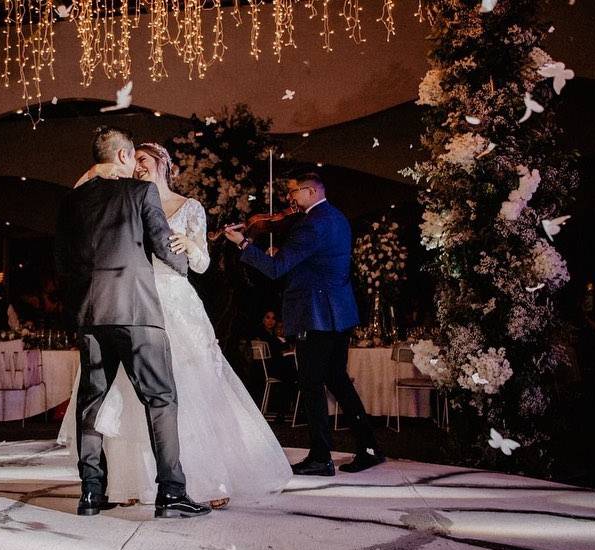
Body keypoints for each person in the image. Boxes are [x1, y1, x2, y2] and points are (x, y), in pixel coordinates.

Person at [58, 133, 290, 513]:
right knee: (147, 397)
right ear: (124, 158)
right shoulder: (130, 195)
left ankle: (121, 487)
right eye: (135, 159)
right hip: (138, 306)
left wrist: (190, 250)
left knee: (173, 390)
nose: (139, 165)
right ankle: (151, 485)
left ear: (164, 165)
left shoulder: (183, 205)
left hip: (148, 304)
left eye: (145, 160)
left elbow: (200, 263)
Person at [55, 126, 209, 518]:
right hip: (138, 313)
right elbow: (162, 244)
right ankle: (172, 492)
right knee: (161, 399)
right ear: (124, 156)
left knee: (91, 402)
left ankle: (90, 493)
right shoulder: (142, 193)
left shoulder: (72, 203)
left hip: (91, 314)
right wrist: (183, 268)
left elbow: (62, 262)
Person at [225, 172, 384, 476]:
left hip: (316, 314)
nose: (290, 199)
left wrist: (244, 243)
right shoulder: (337, 218)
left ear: (310, 192)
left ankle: (321, 457)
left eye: (294, 193)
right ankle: (369, 446)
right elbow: (318, 262)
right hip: (339, 312)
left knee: (311, 384)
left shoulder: (310, 225)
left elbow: (274, 269)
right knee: (337, 380)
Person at [252, 310, 298, 423]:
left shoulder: (273, 334)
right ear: (263, 319)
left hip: (276, 366)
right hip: (266, 368)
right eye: (268, 318)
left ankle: (290, 411)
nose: (270, 321)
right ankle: (287, 411)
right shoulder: (261, 333)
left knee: (292, 373)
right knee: (292, 375)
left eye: (273, 318)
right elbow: (277, 350)